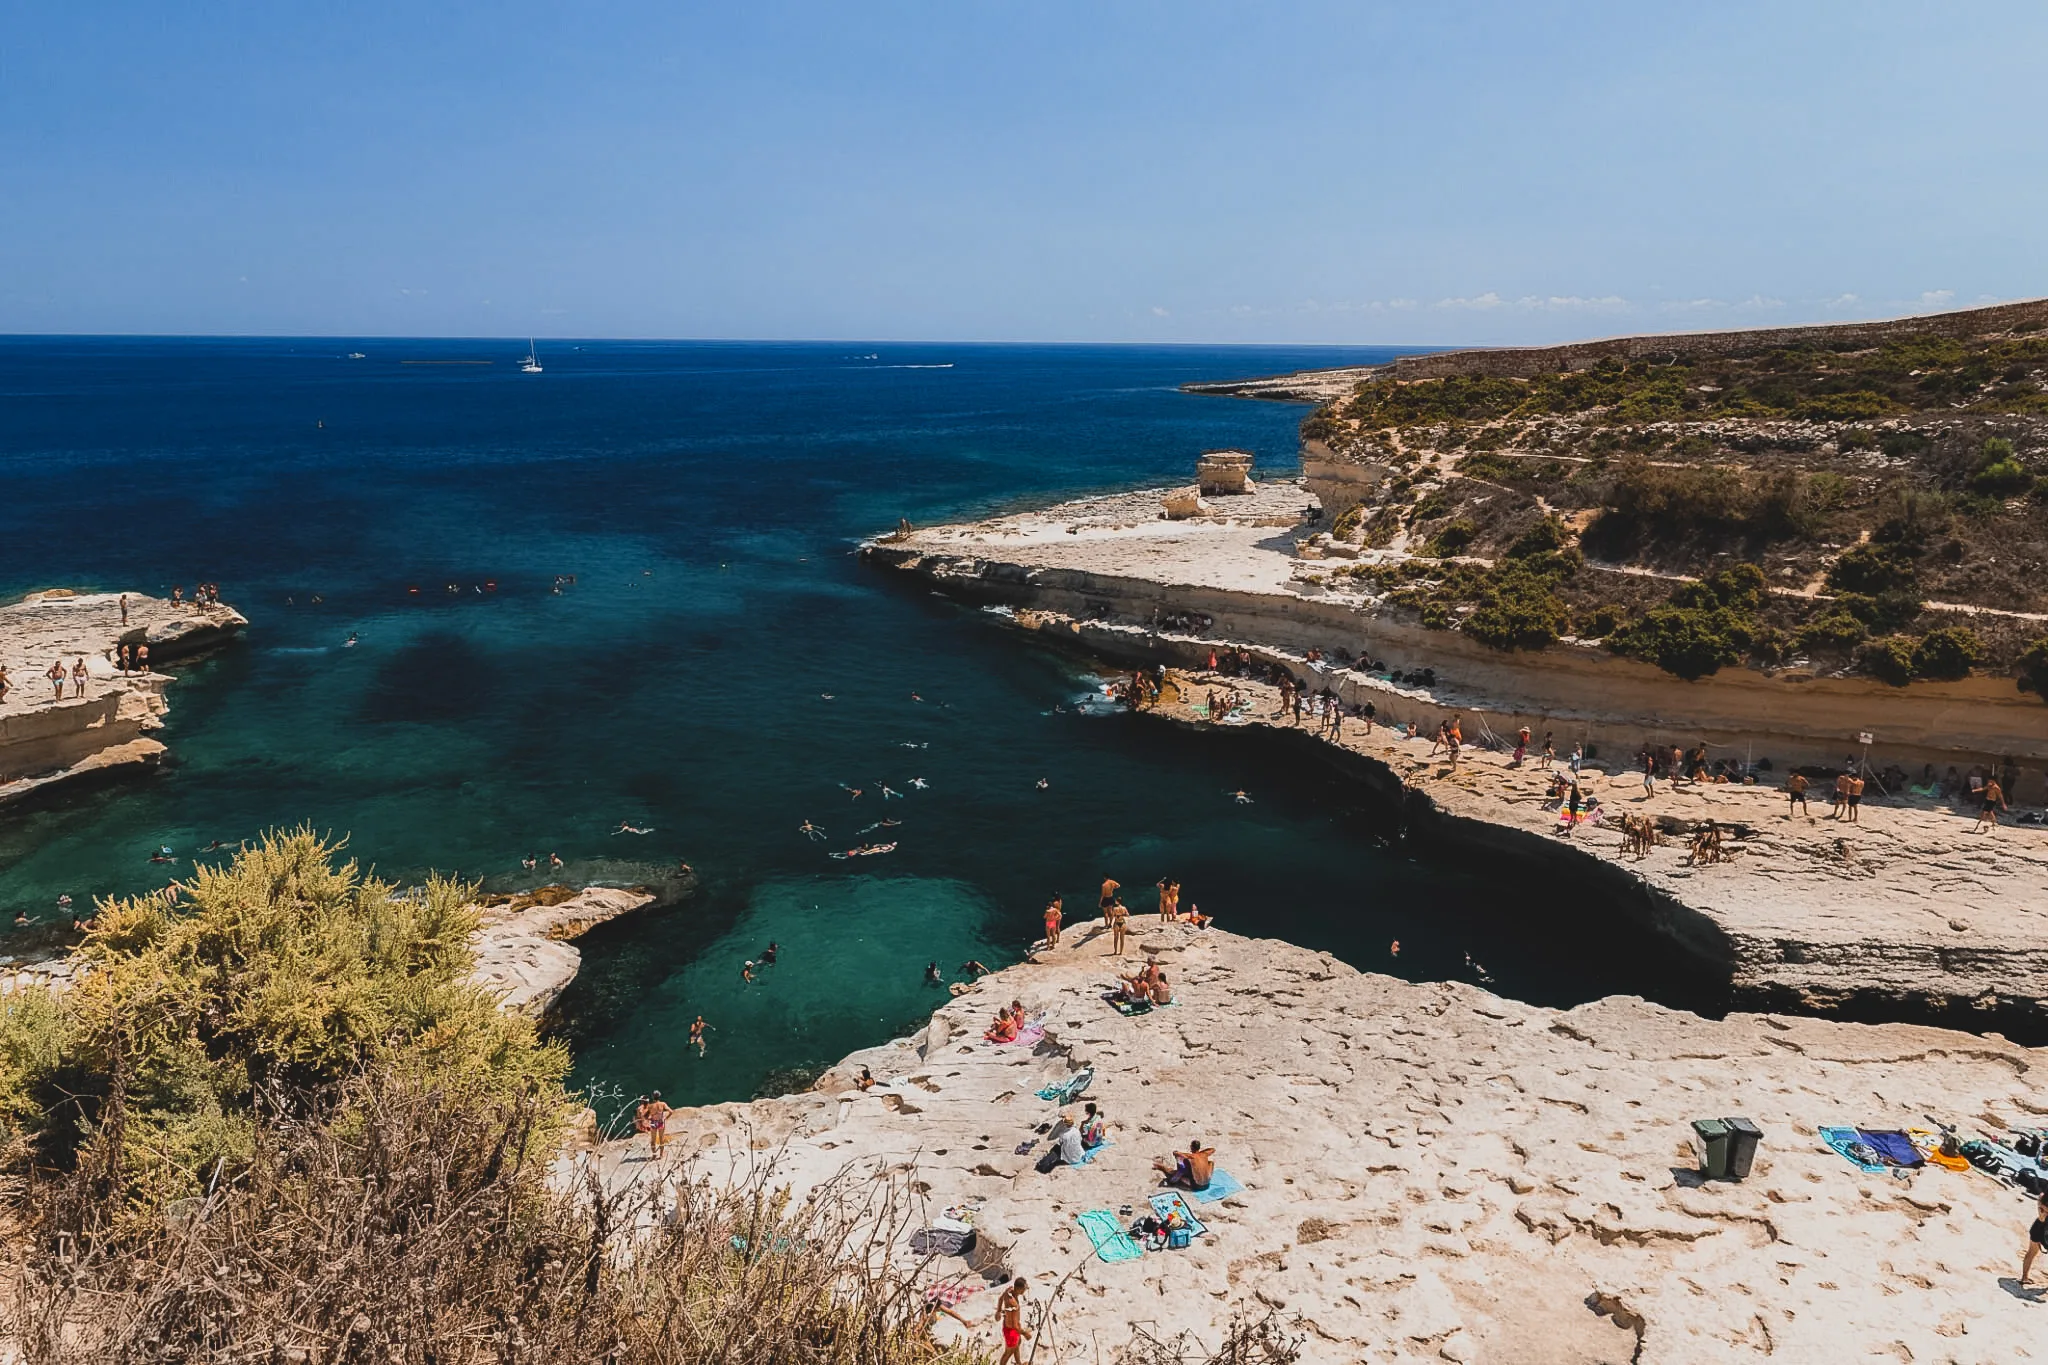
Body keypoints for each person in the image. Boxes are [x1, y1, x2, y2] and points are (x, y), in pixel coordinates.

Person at [996, 1278, 1030, 1365]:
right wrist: (1025, 1333)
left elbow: (1000, 1298)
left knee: (1017, 1344)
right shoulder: (1013, 1303)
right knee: (1008, 1353)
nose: (1025, 1290)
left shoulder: (1009, 1291)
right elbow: (1015, 1325)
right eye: (1024, 1288)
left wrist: (998, 1311)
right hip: (1012, 1330)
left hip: (1009, 1325)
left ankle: (1019, 1363)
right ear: (1019, 1289)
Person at [642, 1091, 671, 1158]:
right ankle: (661, 1155)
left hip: (653, 1123)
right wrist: (665, 1118)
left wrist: (650, 1119)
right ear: (659, 1096)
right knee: (661, 1139)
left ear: (652, 1097)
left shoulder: (650, 1106)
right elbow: (671, 1111)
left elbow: (645, 1116)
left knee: (653, 1140)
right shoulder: (663, 1104)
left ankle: (654, 1154)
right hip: (661, 1122)